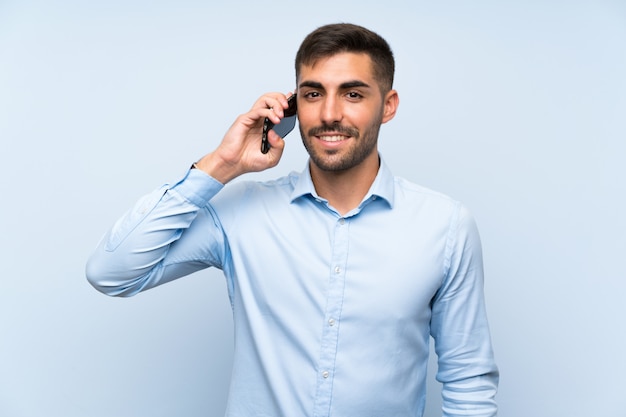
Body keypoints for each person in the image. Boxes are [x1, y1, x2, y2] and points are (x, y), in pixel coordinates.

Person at [86, 23, 499, 417]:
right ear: (292, 104)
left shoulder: (445, 226)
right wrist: (223, 164)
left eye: (353, 94)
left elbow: (468, 380)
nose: (329, 114)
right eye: (313, 94)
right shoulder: (241, 213)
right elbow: (112, 272)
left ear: (387, 106)